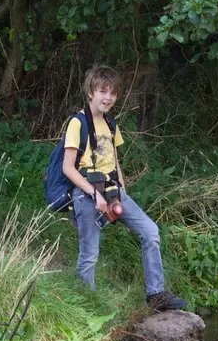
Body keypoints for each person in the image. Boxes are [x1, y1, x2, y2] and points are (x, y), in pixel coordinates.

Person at [60, 66, 186, 311]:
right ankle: (88, 306)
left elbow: (114, 158)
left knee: (150, 231)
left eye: (113, 93)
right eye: (102, 91)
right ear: (90, 92)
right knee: (89, 254)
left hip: (114, 192)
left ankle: (156, 295)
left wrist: (121, 187)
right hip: (87, 195)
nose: (108, 98)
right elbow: (68, 168)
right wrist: (93, 193)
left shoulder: (110, 122)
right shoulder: (77, 123)